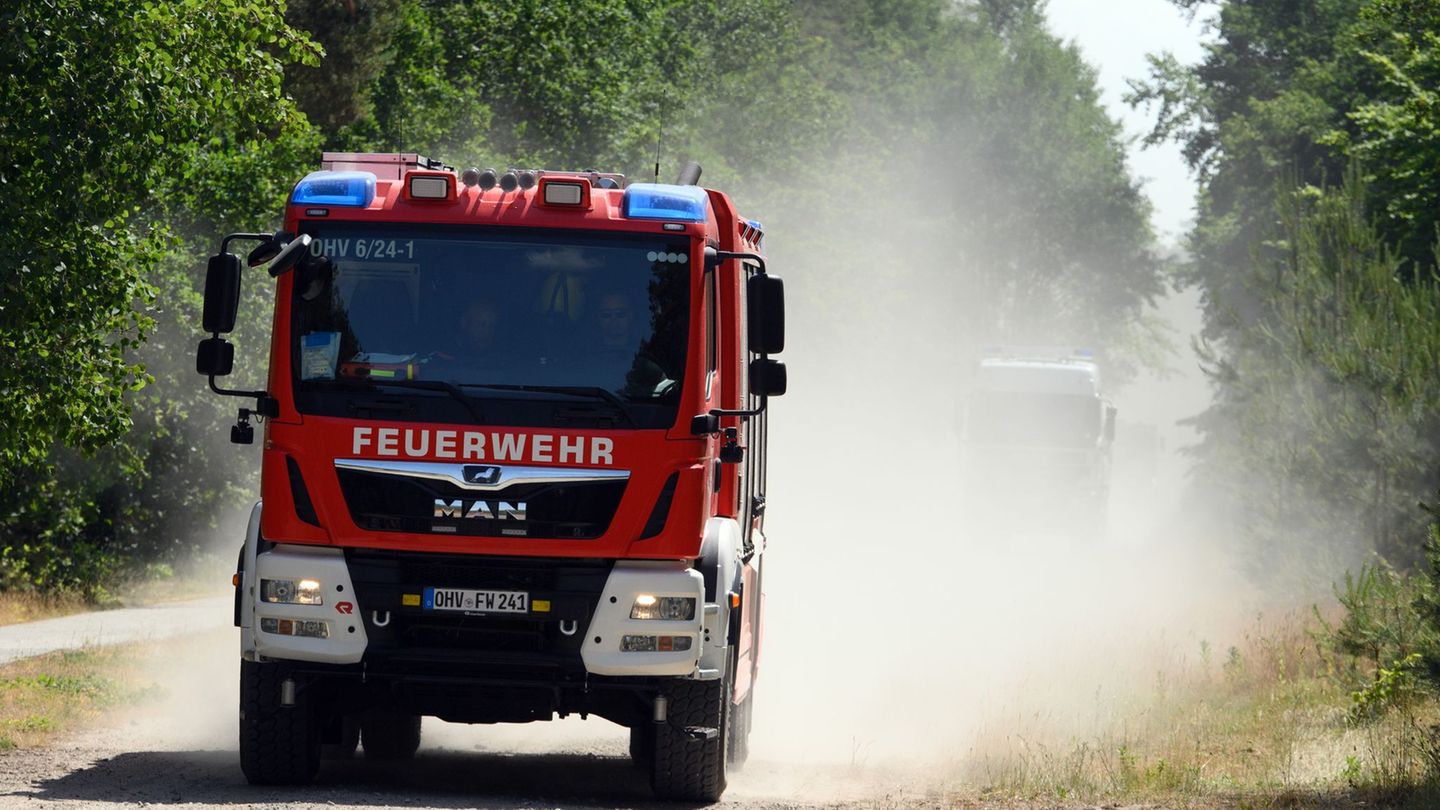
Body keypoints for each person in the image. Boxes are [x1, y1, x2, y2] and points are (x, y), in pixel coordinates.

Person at [586, 292, 665, 395]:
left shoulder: (648, 354)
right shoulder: (586, 356)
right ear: (598, 318)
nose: (613, 321)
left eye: (620, 314)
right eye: (606, 315)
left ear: (631, 316)